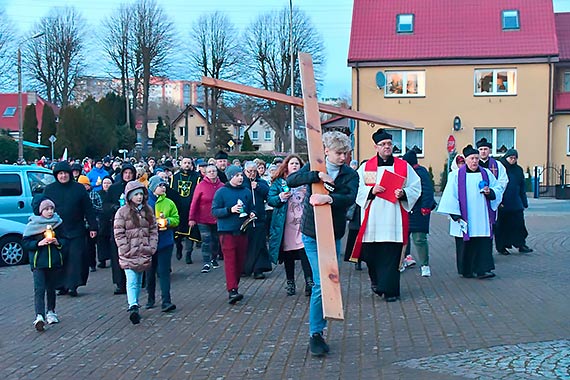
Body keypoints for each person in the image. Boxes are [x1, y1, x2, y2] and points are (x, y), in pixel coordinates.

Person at [287, 132, 358, 357]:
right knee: (321, 283)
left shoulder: (349, 174)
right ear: (327, 151)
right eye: (338, 153)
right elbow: (291, 180)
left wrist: (329, 198)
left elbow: (350, 197)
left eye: (346, 154)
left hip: (333, 234)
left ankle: (321, 328)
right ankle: (315, 334)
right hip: (311, 232)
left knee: (331, 281)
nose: (343, 157)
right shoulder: (314, 165)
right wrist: (316, 175)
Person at [352, 129, 421, 302]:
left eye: (389, 144)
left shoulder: (403, 166)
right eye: (383, 145)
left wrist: (403, 193)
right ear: (376, 147)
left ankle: (390, 291)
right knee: (372, 255)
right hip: (373, 219)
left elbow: (416, 187)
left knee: (391, 255)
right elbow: (357, 188)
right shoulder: (365, 167)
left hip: (394, 219)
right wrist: (371, 190)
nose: (387, 147)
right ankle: (376, 283)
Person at [437, 145, 502, 279]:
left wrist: (491, 192)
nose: (475, 161)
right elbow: (450, 195)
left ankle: (482, 269)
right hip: (464, 217)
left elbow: (498, 187)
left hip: (482, 216)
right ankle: (466, 270)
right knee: (466, 243)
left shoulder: (486, 173)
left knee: (482, 242)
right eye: (472, 158)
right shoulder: (456, 175)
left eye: (477, 158)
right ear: (466, 160)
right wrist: (455, 214)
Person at [43, 162, 97, 297]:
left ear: (70, 174)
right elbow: (42, 208)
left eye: (65, 173)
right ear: (56, 175)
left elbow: (88, 209)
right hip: (57, 230)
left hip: (76, 229)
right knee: (61, 259)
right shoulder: (49, 189)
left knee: (75, 258)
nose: (63, 176)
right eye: (60, 174)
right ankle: (62, 285)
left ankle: (73, 285)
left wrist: (93, 226)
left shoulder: (79, 189)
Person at [267, 154, 313, 296]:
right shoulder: (279, 183)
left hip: (303, 224)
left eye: (297, 164)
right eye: (292, 163)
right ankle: (290, 282)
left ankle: (309, 281)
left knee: (305, 251)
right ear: (286, 165)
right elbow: (270, 199)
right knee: (288, 254)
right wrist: (280, 197)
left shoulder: (306, 181)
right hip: (286, 225)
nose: (294, 166)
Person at [113, 181, 158, 325]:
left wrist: (151, 247)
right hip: (129, 252)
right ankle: (132, 305)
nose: (139, 197)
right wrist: (124, 248)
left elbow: (153, 230)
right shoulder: (122, 212)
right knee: (131, 279)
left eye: (141, 194)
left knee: (139, 280)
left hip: (143, 250)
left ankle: (136, 303)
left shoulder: (148, 210)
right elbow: (118, 232)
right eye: (136, 194)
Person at [211, 165, 255, 304]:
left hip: (242, 230)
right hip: (226, 231)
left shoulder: (246, 191)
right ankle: (232, 290)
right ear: (230, 177)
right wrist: (230, 210)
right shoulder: (221, 192)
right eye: (237, 176)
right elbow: (215, 211)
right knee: (230, 260)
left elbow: (251, 208)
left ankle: (234, 285)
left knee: (240, 261)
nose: (240, 178)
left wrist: (253, 214)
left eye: (241, 175)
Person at [22, 197, 65, 332]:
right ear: (40, 211)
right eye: (46, 209)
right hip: (38, 262)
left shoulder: (58, 223)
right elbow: (25, 243)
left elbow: (65, 239)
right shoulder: (32, 225)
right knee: (39, 289)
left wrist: (58, 243)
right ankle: (39, 316)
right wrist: (38, 244)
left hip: (53, 262)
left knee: (51, 288)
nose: (50, 211)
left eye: (51, 208)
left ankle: (51, 311)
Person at [146, 175, 179, 312]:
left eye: (164, 185)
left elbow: (176, 218)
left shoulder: (169, 203)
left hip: (165, 241)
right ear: (153, 187)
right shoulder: (146, 202)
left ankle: (166, 300)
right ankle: (150, 298)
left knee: (164, 271)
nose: (163, 188)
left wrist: (168, 222)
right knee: (150, 271)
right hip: (149, 242)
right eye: (160, 185)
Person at [402, 150, 436, 277]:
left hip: (419, 210)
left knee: (419, 238)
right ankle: (404, 260)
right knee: (404, 238)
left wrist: (426, 207)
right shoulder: (406, 172)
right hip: (406, 208)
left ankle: (425, 265)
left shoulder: (421, 173)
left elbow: (428, 190)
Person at [104, 163, 136, 295]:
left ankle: (135, 280)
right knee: (117, 254)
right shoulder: (114, 188)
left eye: (130, 173)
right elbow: (105, 205)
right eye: (125, 173)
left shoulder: (137, 188)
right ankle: (119, 283)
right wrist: (114, 207)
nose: (128, 175)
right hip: (118, 225)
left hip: (134, 225)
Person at [495, 149, 533, 254]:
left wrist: (524, 202)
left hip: (516, 202)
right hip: (503, 202)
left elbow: (522, 187)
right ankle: (502, 247)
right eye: (510, 158)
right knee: (502, 227)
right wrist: (498, 201)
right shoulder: (500, 168)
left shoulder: (518, 170)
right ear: (506, 157)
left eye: (515, 158)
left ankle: (521, 244)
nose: (512, 160)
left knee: (519, 225)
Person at [189, 164, 224, 273]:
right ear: (206, 173)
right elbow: (194, 202)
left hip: (217, 218)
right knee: (206, 240)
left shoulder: (222, 186)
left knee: (215, 240)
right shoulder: (201, 185)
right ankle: (206, 262)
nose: (212, 173)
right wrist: (191, 218)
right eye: (210, 172)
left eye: (214, 171)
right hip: (203, 218)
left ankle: (213, 258)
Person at [242, 161, 272, 279]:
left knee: (259, 244)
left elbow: (268, 195)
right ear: (245, 171)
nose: (252, 174)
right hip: (245, 219)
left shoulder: (261, 182)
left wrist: (258, 187)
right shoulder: (241, 183)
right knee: (246, 244)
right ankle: (245, 267)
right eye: (249, 171)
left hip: (259, 218)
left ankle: (258, 268)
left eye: (254, 171)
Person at [170, 157, 200, 264]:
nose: (187, 165)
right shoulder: (175, 177)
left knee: (191, 232)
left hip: (191, 208)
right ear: (181, 164)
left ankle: (188, 253)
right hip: (178, 209)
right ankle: (178, 246)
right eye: (185, 163)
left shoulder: (197, 177)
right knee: (177, 232)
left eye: (189, 163)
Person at [77, 175, 103, 272]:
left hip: (92, 224)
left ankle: (92, 264)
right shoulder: (77, 195)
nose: (83, 187)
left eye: (85, 185)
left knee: (91, 246)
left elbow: (100, 207)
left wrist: (91, 207)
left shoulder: (94, 194)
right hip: (80, 224)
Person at [96, 176, 114, 268]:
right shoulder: (98, 194)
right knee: (101, 241)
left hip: (112, 220)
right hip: (101, 220)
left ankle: (112, 258)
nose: (106, 185)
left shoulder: (114, 194)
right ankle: (102, 260)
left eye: (108, 183)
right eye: (105, 183)